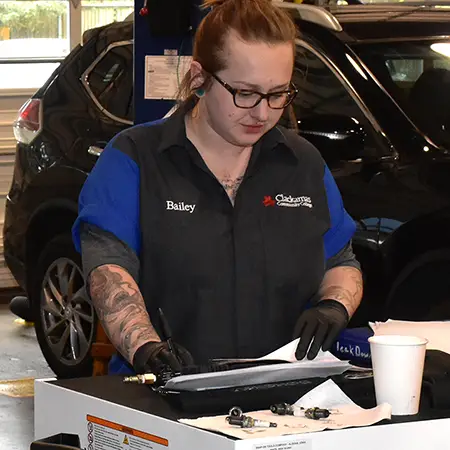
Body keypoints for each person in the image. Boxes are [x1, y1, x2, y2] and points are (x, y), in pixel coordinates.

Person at [72, 0, 363, 376]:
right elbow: (109, 271)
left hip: (284, 399)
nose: (262, 113)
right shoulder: (135, 159)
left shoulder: (303, 163)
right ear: (199, 78)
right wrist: (146, 347)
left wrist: (334, 305)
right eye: (245, 93)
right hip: (164, 398)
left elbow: (341, 261)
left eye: (277, 94)